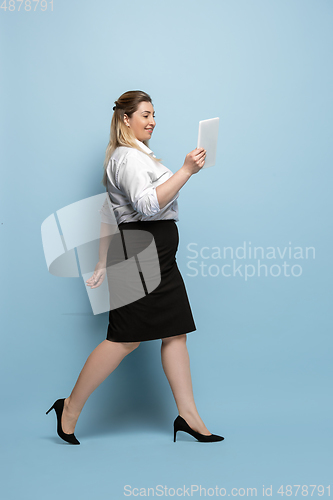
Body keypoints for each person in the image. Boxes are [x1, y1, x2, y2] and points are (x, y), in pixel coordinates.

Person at [46, 90, 224, 445]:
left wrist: (100, 261)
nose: (152, 121)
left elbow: (107, 212)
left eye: (154, 114)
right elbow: (145, 208)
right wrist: (186, 170)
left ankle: (188, 416)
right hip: (139, 254)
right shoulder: (127, 159)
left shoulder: (141, 157)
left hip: (158, 255)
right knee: (124, 340)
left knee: (175, 332)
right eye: (145, 114)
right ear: (126, 119)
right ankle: (69, 407)